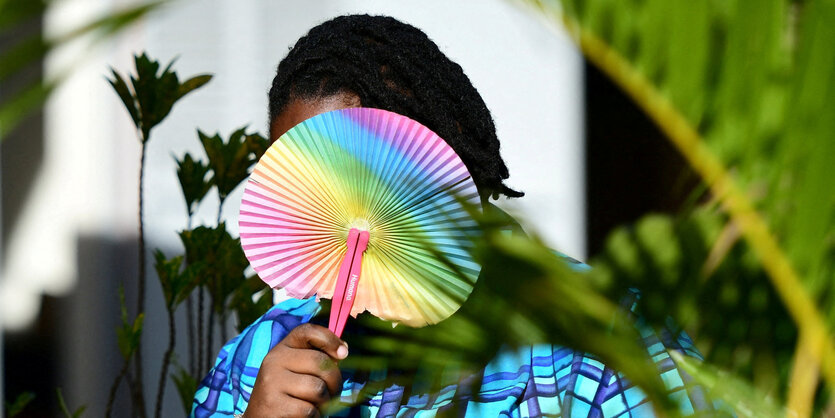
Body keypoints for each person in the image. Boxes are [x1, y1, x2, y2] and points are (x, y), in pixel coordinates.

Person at [192, 15, 721, 417]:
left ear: (444, 157)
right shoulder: (258, 360)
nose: (335, 214)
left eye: (351, 176)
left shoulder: (600, 342)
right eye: (304, 188)